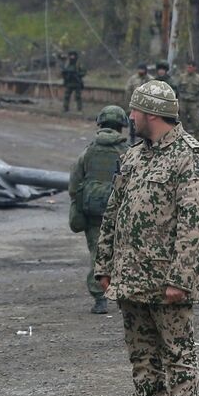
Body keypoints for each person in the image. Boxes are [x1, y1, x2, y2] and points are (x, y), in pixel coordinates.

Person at [94, 80, 199, 396]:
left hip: (167, 280)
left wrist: (181, 278)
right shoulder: (133, 157)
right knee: (142, 354)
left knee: (178, 353)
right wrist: (104, 263)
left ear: (150, 114)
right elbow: (113, 213)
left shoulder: (191, 158)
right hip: (131, 277)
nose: (129, 117)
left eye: (134, 111)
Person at [68, 106, 130, 315]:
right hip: (121, 212)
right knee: (125, 253)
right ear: (121, 126)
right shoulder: (128, 151)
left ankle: (99, 299)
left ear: (100, 123)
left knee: (97, 253)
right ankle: (128, 296)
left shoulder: (88, 151)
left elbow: (74, 183)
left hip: (93, 212)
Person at [177, 61, 199, 139]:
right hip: (183, 102)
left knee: (196, 123)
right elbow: (178, 88)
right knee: (183, 123)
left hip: (194, 103)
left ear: (194, 68)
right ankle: (183, 139)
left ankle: (198, 139)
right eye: (188, 67)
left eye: (190, 67)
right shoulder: (182, 77)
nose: (189, 69)